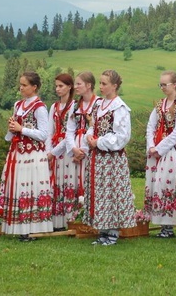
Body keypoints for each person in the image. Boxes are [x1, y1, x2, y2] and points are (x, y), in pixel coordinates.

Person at [83, 70, 136, 246]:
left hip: (111, 158)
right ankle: (103, 229)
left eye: (104, 83)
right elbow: (93, 126)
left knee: (111, 192)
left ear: (115, 86)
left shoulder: (119, 107)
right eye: (100, 83)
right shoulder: (98, 105)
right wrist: (90, 136)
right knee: (100, 193)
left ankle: (113, 230)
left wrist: (99, 142)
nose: (101, 86)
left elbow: (122, 136)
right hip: (97, 157)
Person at [0, 71, 53, 241]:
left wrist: (22, 129)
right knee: (19, 187)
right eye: (20, 84)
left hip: (33, 154)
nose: (21, 88)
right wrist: (12, 130)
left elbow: (44, 134)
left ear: (34, 87)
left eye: (24, 85)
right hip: (18, 152)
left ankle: (31, 228)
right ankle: (19, 226)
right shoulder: (18, 105)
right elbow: (15, 130)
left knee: (31, 189)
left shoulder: (40, 107)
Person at [144, 70, 176, 238]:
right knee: (156, 185)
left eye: (165, 84)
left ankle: (169, 225)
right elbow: (151, 126)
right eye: (160, 84)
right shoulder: (160, 105)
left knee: (167, 185)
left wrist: (160, 148)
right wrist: (151, 146)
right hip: (157, 150)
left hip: (170, 151)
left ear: (175, 85)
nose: (162, 87)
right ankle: (161, 223)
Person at [63, 71, 97, 222]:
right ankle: (74, 218)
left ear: (88, 85)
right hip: (75, 147)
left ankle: (91, 216)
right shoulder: (75, 105)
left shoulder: (98, 104)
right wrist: (73, 149)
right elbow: (69, 129)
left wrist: (83, 149)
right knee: (74, 181)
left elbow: (96, 128)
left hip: (90, 146)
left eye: (78, 84)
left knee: (88, 179)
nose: (75, 87)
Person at [46, 73, 77, 231]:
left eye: (61, 86)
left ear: (70, 87)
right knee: (56, 183)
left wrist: (55, 151)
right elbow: (49, 131)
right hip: (54, 150)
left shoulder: (74, 106)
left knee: (68, 182)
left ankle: (69, 219)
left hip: (67, 149)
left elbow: (71, 133)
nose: (58, 89)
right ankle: (56, 221)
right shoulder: (54, 107)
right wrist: (48, 151)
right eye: (56, 86)